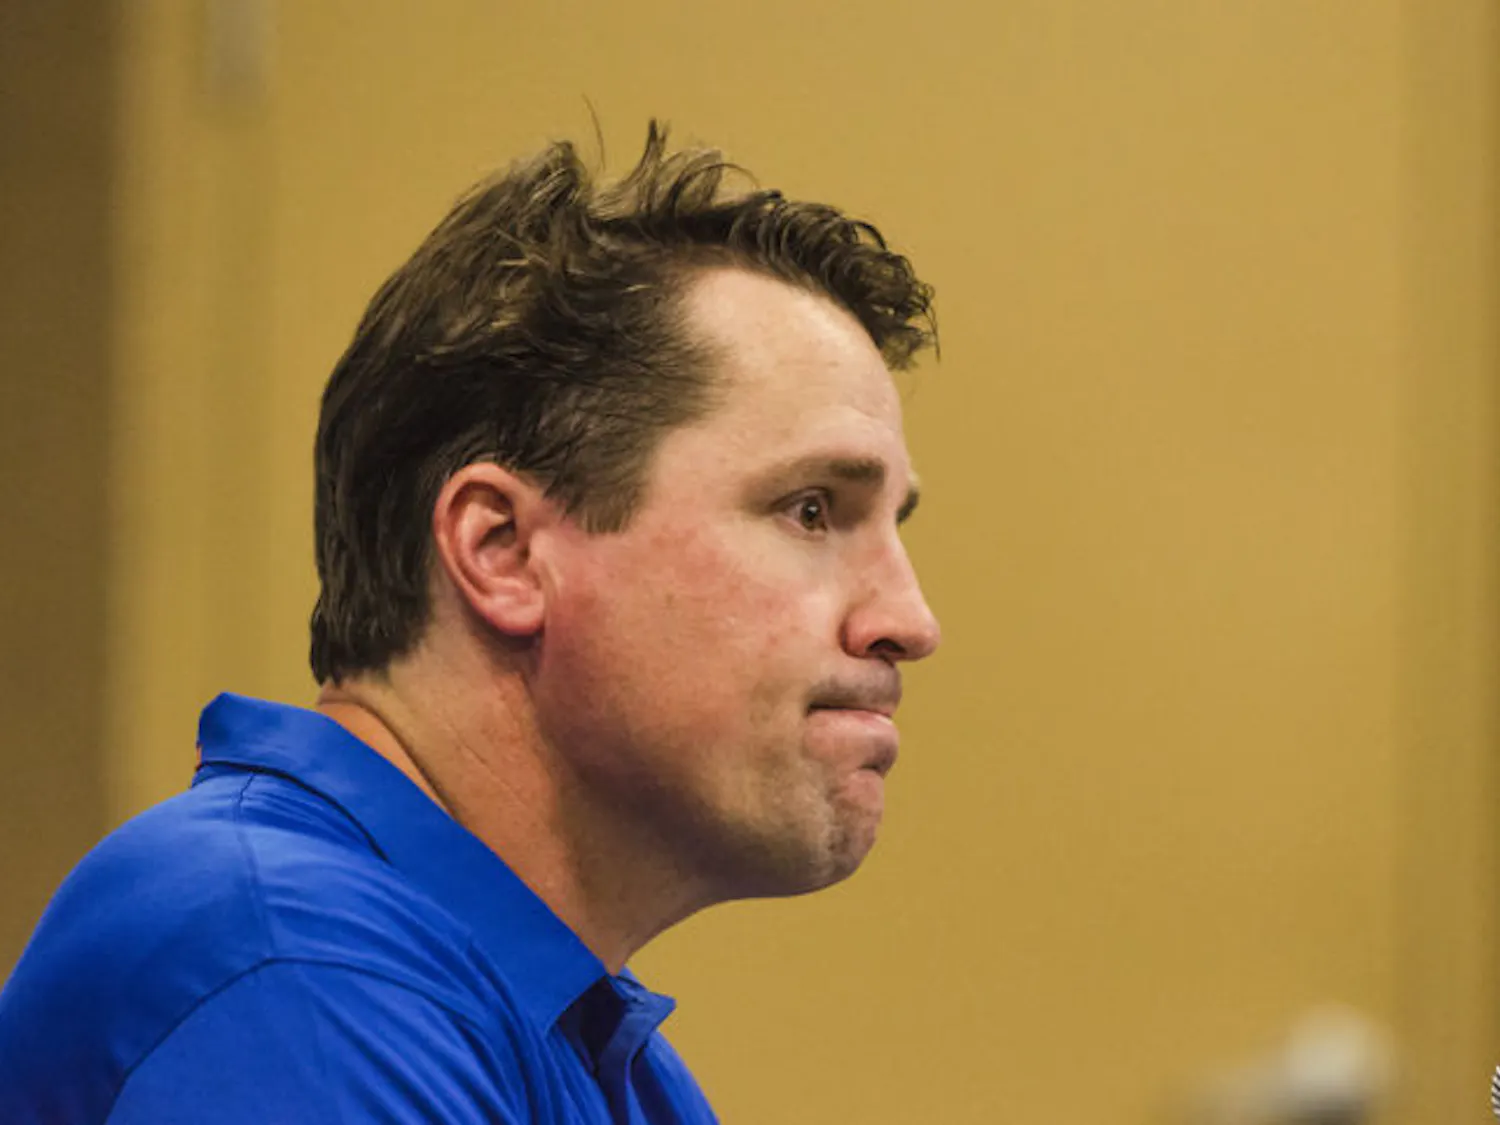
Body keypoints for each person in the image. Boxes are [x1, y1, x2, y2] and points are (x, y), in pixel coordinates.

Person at [0, 122, 942, 1123]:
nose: (909, 620)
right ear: (502, 551)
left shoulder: (599, 1059)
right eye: (810, 510)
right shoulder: (294, 973)